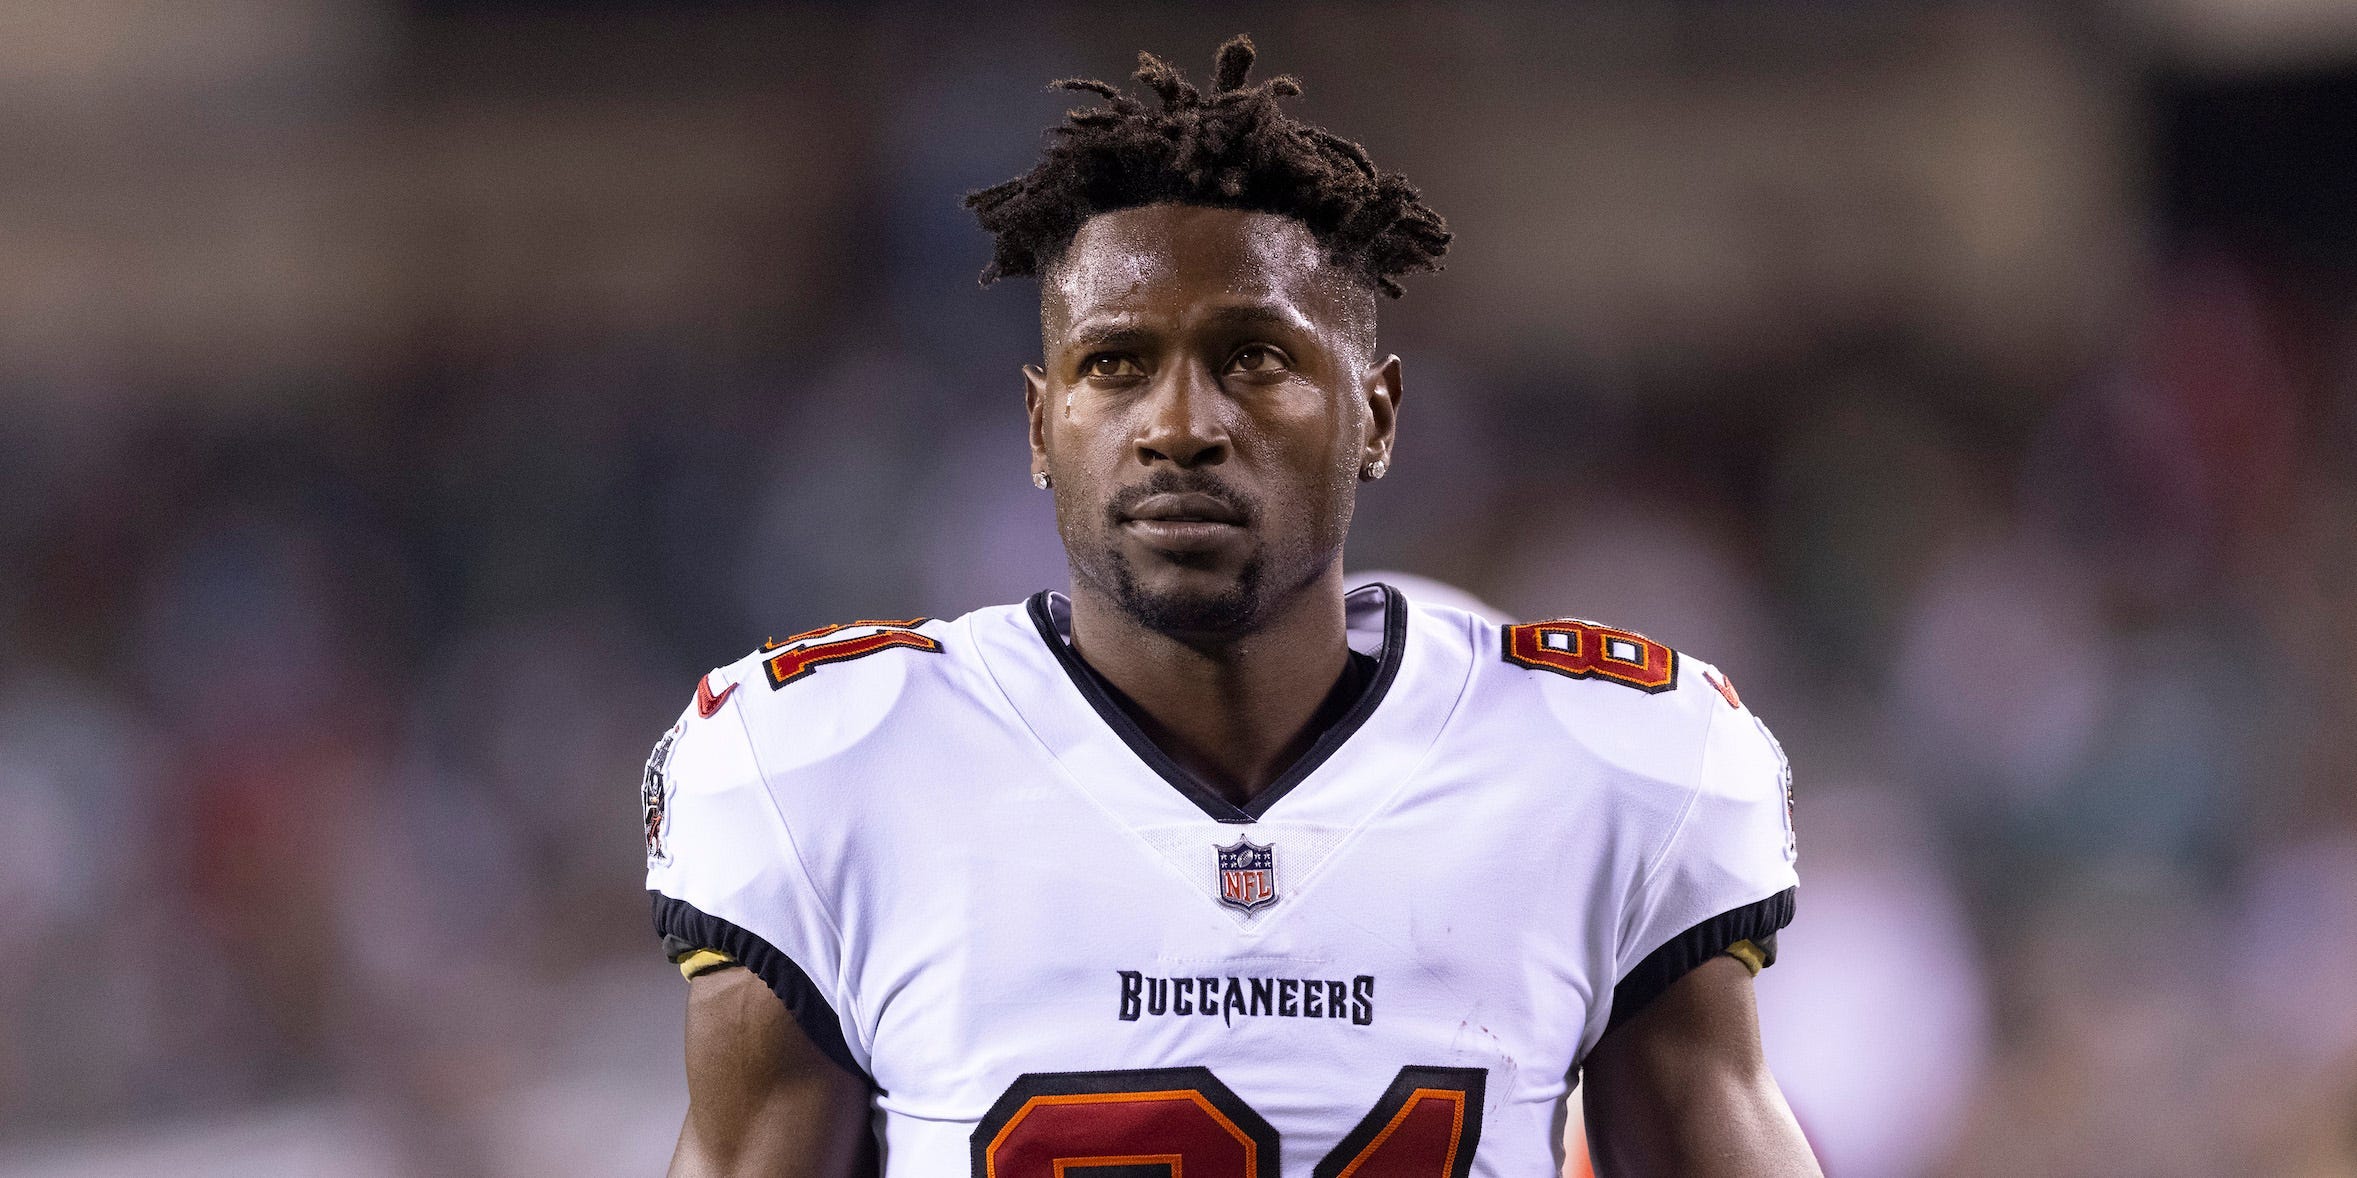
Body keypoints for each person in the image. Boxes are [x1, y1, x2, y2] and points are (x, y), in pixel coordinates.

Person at [645, 36, 1816, 1177]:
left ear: (1377, 414)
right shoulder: (834, 767)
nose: (1180, 424)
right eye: (1115, 363)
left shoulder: (1602, 762)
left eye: (1253, 356)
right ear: (1039, 424)